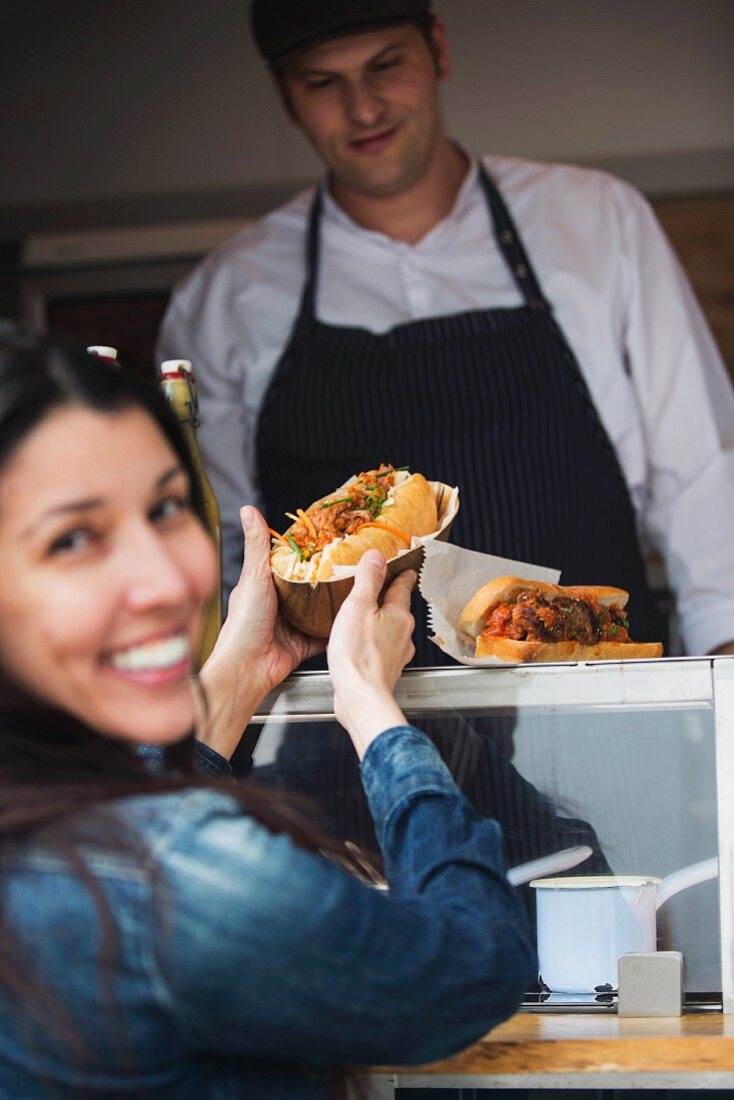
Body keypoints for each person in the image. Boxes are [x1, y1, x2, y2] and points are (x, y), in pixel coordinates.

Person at [0, 338, 536, 1098]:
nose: (163, 579)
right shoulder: (189, 881)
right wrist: (371, 706)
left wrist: (236, 678)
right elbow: (474, 969)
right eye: (75, 539)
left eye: (166, 507)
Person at [157, 0, 734, 661]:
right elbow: (219, 553)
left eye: (385, 66)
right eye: (323, 82)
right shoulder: (227, 294)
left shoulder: (598, 222)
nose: (364, 107)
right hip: (339, 736)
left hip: (596, 707)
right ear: (286, 97)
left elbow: (704, 478)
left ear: (438, 49)